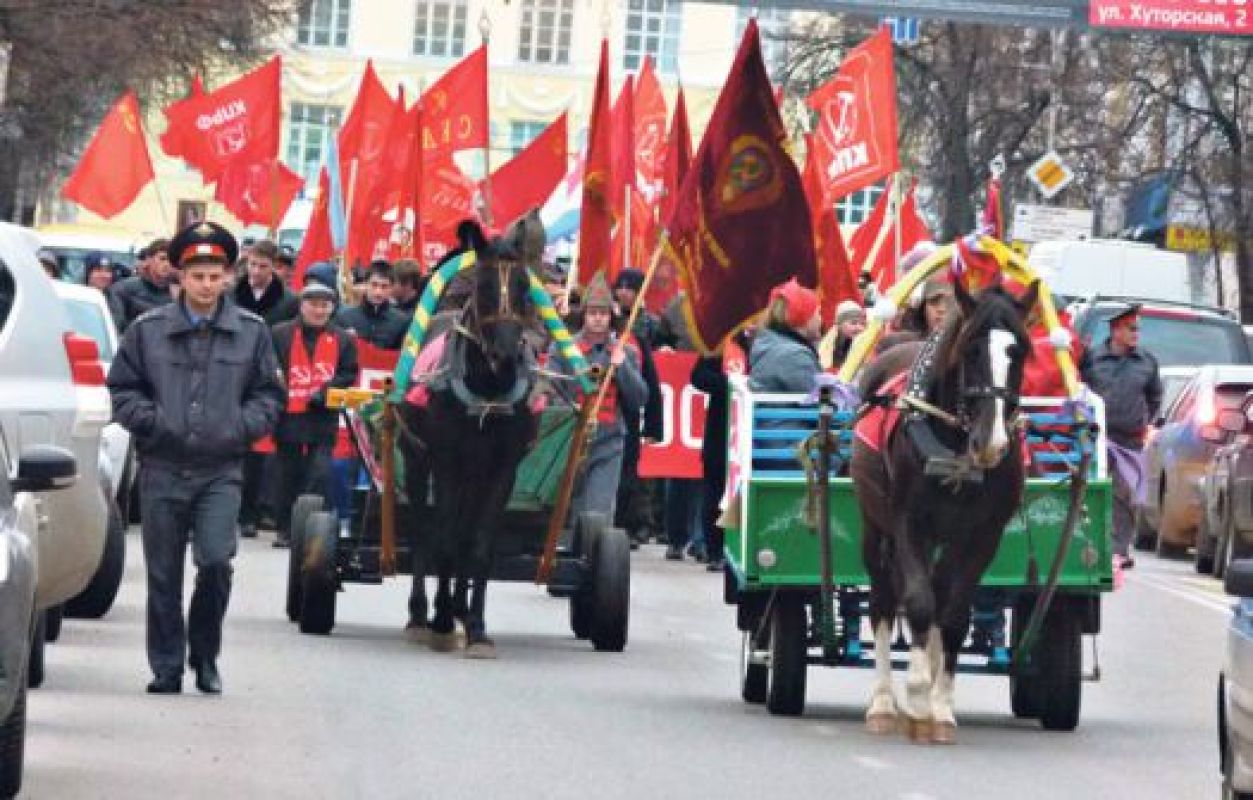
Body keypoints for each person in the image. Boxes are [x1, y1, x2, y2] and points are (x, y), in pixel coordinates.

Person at [107, 221, 283, 695]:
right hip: (162, 467)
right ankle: (166, 666)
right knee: (163, 574)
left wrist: (238, 428)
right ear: (180, 278)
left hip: (220, 471)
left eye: (215, 275)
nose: (207, 284)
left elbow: (269, 395)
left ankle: (205, 657)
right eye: (197, 275)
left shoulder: (251, 332)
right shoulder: (148, 332)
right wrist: (153, 421)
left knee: (215, 563)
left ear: (229, 278)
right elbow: (122, 389)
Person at [548, 272, 648, 525]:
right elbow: (551, 388)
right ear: (583, 315)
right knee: (562, 509)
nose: (597, 319)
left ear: (610, 316)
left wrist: (622, 366)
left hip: (608, 441)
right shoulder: (563, 348)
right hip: (568, 439)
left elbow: (639, 398)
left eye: (603, 313)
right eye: (592, 312)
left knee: (597, 514)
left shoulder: (625, 350)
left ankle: (591, 557)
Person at [269, 282, 359, 548]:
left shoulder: (343, 339)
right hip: (289, 416)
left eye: (325, 306)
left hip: (322, 416)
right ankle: (284, 527)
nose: (319, 311)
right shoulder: (280, 334)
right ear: (302, 305)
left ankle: (309, 529)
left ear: (332, 308)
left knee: (318, 473)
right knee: (288, 473)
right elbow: (270, 366)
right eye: (314, 305)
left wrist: (324, 391)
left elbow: (348, 372)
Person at [1079, 303, 1163, 568]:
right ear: (1116, 330)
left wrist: (1142, 421)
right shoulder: (1092, 358)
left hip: (1129, 439)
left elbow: (1154, 396)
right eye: (1130, 328)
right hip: (1094, 435)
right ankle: (1086, 543)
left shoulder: (1147, 362)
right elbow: (1078, 389)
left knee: (1124, 495)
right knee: (1088, 488)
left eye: (1138, 328)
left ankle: (1118, 550)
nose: (1136, 333)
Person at [748, 278, 823, 393]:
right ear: (804, 318)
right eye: (818, 313)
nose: (821, 319)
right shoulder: (794, 355)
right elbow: (823, 405)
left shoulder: (771, 343)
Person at [336, 261, 408, 349]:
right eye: (374, 285)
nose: (378, 292)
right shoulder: (345, 317)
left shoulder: (401, 321)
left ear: (391, 288)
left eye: (384, 286)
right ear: (366, 284)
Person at [231, 239, 298, 326]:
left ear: (273, 266)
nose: (256, 271)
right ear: (247, 262)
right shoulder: (231, 293)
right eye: (253, 264)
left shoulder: (289, 300)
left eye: (263, 266)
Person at [113, 238, 175, 330]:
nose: (167, 264)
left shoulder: (177, 295)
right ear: (149, 260)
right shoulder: (125, 289)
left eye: (171, 260)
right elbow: (116, 327)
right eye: (162, 259)